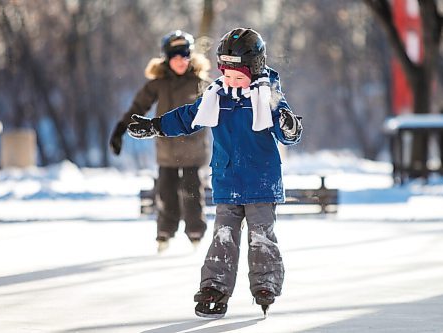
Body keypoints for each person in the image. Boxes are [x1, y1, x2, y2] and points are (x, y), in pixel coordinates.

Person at [126, 28, 303, 318]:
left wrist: (289, 125)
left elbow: (287, 132)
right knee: (223, 236)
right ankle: (214, 288)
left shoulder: (267, 95)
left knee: (261, 235)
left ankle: (265, 283)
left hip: (261, 181)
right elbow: (187, 118)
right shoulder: (215, 96)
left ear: (255, 69)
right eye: (226, 74)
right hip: (228, 181)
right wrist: (154, 126)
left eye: (238, 76)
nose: (230, 81)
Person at [109, 30, 211, 252]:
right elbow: (138, 108)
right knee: (165, 194)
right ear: (167, 59)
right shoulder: (158, 84)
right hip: (167, 151)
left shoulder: (200, 83)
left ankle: (195, 233)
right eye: (175, 58)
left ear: (190, 57)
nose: (181, 62)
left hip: (194, 149)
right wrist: (119, 130)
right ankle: (164, 233)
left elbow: (215, 110)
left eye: (185, 57)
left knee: (193, 193)